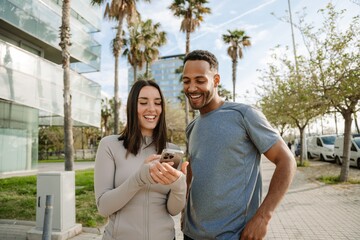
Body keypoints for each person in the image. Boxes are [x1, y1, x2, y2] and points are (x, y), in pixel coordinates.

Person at [181, 50, 297, 240]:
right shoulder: (192, 127)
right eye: (186, 81)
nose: (192, 87)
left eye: (200, 80)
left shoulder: (244, 115)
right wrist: (185, 209)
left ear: (216, 80)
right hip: (191, 235)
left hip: (234, 236)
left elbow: (287, 161)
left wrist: (263, 217)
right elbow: (193, 170)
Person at [94, 80, 188, 240]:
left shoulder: (171, 151)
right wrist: (139, 178)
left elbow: (173, 210)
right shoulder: (109, 145)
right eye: (143, 102)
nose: (152, 108)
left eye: (157, 103)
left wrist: (179, 186)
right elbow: (104, 207)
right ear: (132, 106)